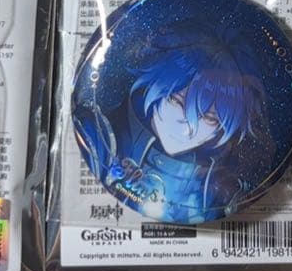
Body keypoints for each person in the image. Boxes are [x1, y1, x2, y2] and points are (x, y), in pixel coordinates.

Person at [74, 20, 274, 224]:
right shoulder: (97, 137)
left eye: (209, 119)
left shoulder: (216, 190)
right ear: (155, 87)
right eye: (177, 102)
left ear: (223, 129)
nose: (188, 128)